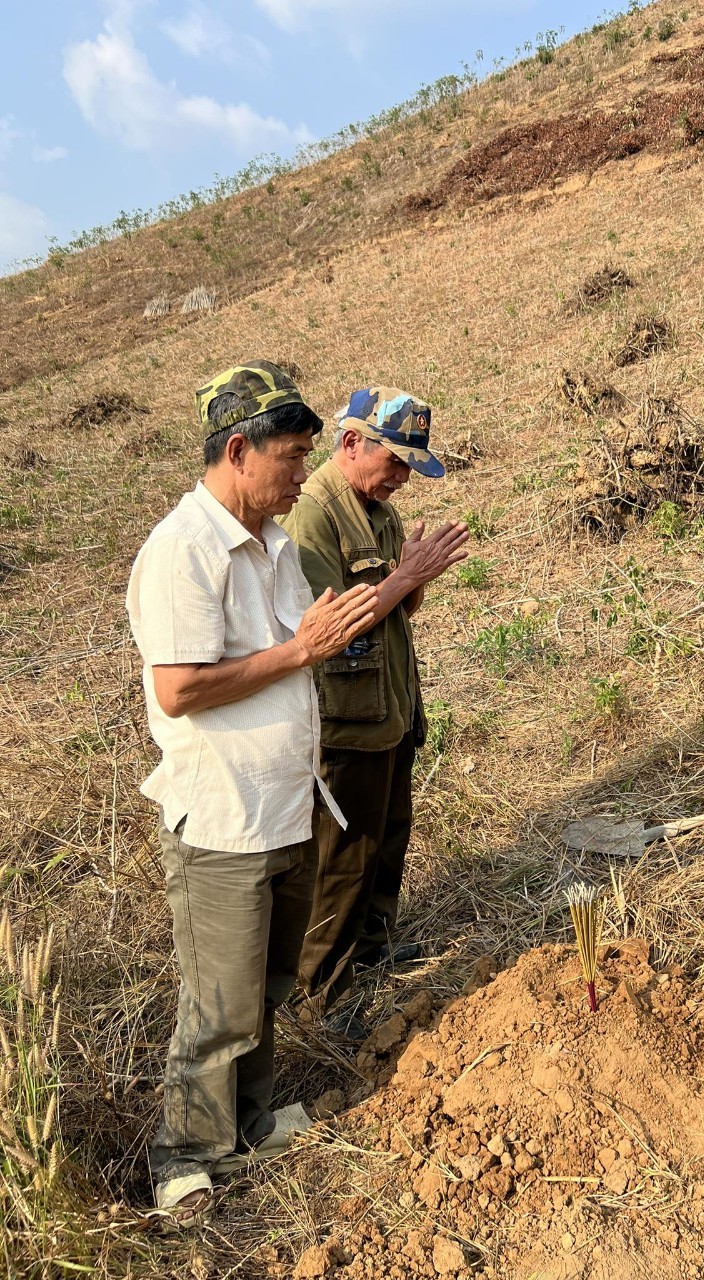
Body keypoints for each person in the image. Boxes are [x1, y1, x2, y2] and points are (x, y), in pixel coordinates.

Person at [126, 361, 379, 1227]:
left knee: (268, 985)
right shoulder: (183, 552)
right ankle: (183, 1156)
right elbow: (181, 689)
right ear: (239, 450)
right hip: (224, 818)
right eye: (293, 456)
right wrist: (301, 653)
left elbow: (308, 642)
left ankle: (250, 1120)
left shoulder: (271, 545)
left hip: (283, 805)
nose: (303, 474)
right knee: (219, 1004)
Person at [279, 387, 469, 1030]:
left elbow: (394, 610)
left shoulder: (378, 511)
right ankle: (323, 995)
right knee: (345, 855)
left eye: (411, 463)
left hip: (389, 703)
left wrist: (413, 583)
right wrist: (403, 579)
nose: (402, 476)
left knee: (389, 835)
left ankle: (374, 949)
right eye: (394, 459)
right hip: (344, 719)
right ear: (352, 442)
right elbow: (327, 626)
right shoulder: (312, 512)